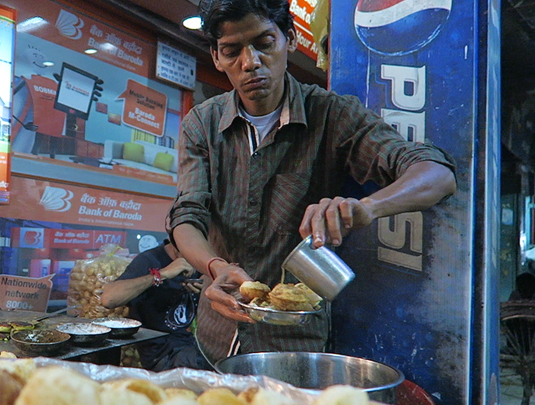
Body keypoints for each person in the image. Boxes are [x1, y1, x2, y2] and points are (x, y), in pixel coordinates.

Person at [168, 0, 457, 364]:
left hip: (294, 346)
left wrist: (365, 208)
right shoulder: (201, 124)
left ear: (288, 38)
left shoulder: (332, 115)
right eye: (232, 51)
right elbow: (186, 216)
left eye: (264, 43)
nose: (250, 62)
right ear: (216, 57)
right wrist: (215, 268)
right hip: (215, 337)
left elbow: (437, 174)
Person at [100, 239, 212, 371]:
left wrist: (207, 288)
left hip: (194, 343)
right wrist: (161, 274)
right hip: (163, 352)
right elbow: (108, 298)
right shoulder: (149, 260)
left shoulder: (201, 261)